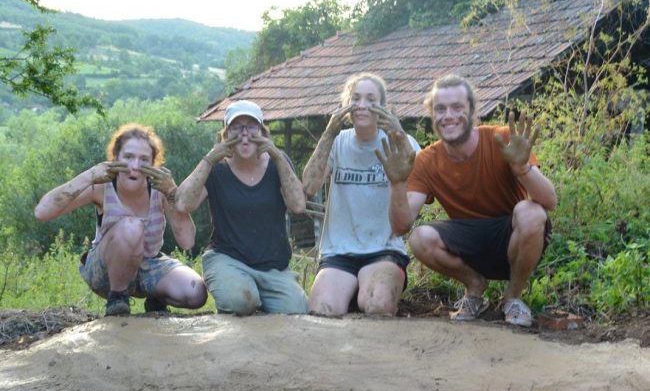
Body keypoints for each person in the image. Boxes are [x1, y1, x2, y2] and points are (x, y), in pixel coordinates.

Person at [376, 74, 557, 327]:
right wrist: (397, 184)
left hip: (512, 236)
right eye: (440, 109)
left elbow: (549, 201)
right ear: (432, 115)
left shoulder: (503, 139)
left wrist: (522, 169)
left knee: (531, 212)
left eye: (457, 107)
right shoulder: (426, 160)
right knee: (420, 238)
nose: (448, 115)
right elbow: (400, 227)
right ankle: (474, 287)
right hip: (467, 241)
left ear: (473, 112)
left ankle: (513, 298)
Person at [34, 123, 208, 316]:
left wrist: (172, 193)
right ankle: (117, 299)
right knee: (131, 227)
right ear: (115, 158)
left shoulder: (160, 189)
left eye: (144, 160)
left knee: (196, 292)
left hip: (148, 265)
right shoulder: (103, 186)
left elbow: (187, 241)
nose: (135, 166)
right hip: (105, 271)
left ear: (153, 164)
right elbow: (42, 212)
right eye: (128, 157)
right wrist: (89, 176)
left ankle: (156, 299)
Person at [174, 100, 308, 316]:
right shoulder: (216, 168)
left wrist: (277, 156)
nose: (244, 134)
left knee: (296, 310)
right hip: (227, 258)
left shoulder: (278, 163)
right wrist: (210, 158)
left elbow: (298, 205)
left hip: (273, 266)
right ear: (226, 134)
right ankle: (242, 293)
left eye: (251, 127)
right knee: (241, 301)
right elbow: (182, 204)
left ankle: (263, 296)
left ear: (262, 132)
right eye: (236, 127)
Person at [303, 73, 421, 316]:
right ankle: (350, 293)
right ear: (346, 105)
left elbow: (418, 184)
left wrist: (398, 135)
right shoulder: (337, 143)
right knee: (321, 310)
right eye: (355, 99)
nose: (362, 105)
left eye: (371, 99)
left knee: (378, 305)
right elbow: (309, 186)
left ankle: (366, 293)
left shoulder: (403, 142)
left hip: (384, 251)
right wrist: (328, 133)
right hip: (339, 251)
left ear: (383, 107)